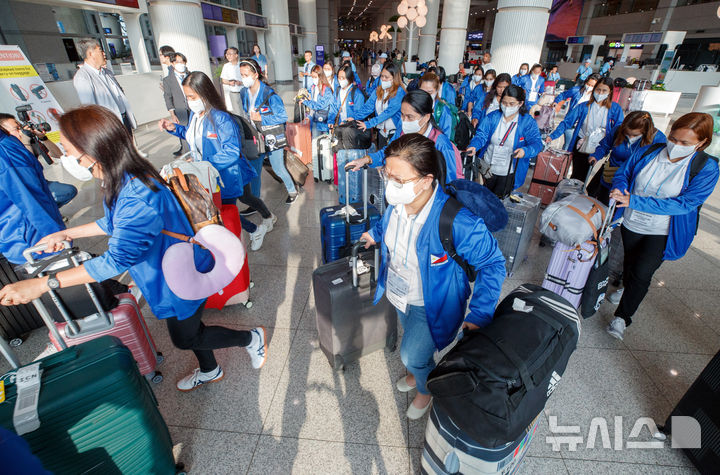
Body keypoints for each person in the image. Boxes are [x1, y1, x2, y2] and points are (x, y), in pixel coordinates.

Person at [0, 105, 268, 391]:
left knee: (185, 337)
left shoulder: (136, 194)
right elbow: (113, 223)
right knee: (188, 329)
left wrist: (43, 284)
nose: (65, 157)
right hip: (168, 273)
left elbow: (113, 262)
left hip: (182, 276)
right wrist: (66, 232)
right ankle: (210, 369)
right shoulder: (122, 178)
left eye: (68, 150)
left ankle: (252, 338)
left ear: (90, 151)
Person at [358, 133, 506, 419]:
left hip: (432, 303)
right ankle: (418, 372)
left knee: (409, 354)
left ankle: (425, 390)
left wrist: (480, 312)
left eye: (398, 180)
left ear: (426, 181)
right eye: (386, 175)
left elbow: (493, 264)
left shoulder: (457, 221)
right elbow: (386, 222)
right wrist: (376, 235)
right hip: (400, 292)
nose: (390, 185)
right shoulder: (398, 202)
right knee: (413, 346)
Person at [605, 112, 719, 340]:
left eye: (684, 143)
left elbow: (686, 203)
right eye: (673, 138)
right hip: (633, 221)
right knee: (630, 262)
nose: (676, 145)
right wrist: (620, 187)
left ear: (702, 142)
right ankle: (627, 288)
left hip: (663, 230)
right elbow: (624, 173)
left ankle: (622, 317)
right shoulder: (650, 151)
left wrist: (635, 200)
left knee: (643, 271)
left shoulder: (706, 167)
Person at [159, 71, 276, 250]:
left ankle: (255, 229)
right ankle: (256, 227)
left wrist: (203, 163)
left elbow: (231, 151)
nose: (190, 101)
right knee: (223, 209)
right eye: (187, 97)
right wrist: (173, 128)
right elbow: (192, 136)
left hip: (224, 175)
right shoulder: (195, 116)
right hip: (205, 175)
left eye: (192, 96)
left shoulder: (221, 119)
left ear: (204, 94)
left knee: (224, 210)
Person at [349, 90, 462, 182]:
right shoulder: (402, 132)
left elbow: (451, 184)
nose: (404, 121)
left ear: (426, 117)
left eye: (410, 117)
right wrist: (366, 159)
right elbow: (389, 152)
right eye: (402, 115)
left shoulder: (441, 145)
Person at [0, 126, 64, 264]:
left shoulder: (5, 149)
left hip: (29, 242)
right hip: (29, 242)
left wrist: (53, 235)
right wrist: (54, 235)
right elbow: (29, 199)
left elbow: (29, 199)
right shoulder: (6, 148)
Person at [238, 58, 299, 203]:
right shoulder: (243, 93)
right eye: (241, 75)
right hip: (256, 137)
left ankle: (292, 190)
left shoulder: (269, 94)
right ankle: (255, 201)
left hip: (272, 135)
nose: (243, 79)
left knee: (278, 168)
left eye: (246, 75)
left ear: (255, 75)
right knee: (255, 170)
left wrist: (262, 119)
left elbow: (282, 116)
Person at [466, 85, 543, 197]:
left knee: (500, 201)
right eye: (504, 103)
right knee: (483, 197)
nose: (507, 106)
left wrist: (525, 151)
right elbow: (481, 135)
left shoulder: (527, 122)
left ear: (520, 103)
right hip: (488, 168)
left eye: (511, 104)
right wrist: (474, 145)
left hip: (509, 171)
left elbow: (537, 144)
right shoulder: (493, 117)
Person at [547, 76, 623, 180]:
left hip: (598, 147)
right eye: (598, 89)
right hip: (581, 144)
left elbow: (619, 128)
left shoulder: (615, 109)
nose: (600, 93)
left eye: (604, 90)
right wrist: (552, 136)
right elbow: (567, 122)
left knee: (585, 174)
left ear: (610, 92)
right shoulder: (583, 106)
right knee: (577, 174)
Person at [0, 113, 77, 209]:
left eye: (21, 127)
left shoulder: (27, 140)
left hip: (38, 183)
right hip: (20, 191)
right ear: (4, 132)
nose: (21, 131)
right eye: (16, 129)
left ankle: (50, 210)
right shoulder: (5, 152)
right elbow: (26, 168)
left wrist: (43, 138)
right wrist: (25, 141)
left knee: (68, 191)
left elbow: (58, 155)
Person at [588, 111, 666, 205]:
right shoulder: (618, 130)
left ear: (645, 131)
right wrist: (596, 156)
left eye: (635, 135)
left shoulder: (658, 139)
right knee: (601, 205)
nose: (630, 137)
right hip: (611, 175)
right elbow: (605, 145)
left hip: (633, 182)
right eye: (627, 133)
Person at [73, 38, 136, 134]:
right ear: (90, 54)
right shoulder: (83, 77)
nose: (104, 54)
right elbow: (90, 108)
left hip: (123, 120)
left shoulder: (107, 73)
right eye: (100, 51)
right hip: (109, 127)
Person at [329, 65, 367, 204]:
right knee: (340, 158)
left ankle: (354, 193)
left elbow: (359, 113)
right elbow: (334, 107)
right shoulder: (338, 90)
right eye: (338, 78)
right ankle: (343, 190)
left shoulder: (356, 93)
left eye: (343, 78)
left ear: (350, 78)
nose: (340, 80)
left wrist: (350, 119)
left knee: (351, 158)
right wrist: (330, 120)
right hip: (340, 130)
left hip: (352, 132)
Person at [352, 62, 406, 149]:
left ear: (394, 78)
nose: (383, 79)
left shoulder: (399, 92)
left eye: (386, 77)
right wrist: (354, 117)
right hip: (382, 132)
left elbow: (387, 113)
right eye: (382, 76)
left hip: (395, 133)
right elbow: (368, 107)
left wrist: (369, 124)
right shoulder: (379, 90)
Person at [163, 52, 190, 157]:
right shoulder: (168, 80)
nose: (181, 64)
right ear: (173, 63)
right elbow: (168, 97)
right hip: (180, 111)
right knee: (184, 134)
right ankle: (189, 155)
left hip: (193, 109)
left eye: (183, 61)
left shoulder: (191, 75)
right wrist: (172, 114)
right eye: (178, 62)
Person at [419, 73, 455, 141]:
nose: (426, 95)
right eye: (422, 92)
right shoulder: (413, 106)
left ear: (436, 90)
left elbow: (446, 138)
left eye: (430, 92)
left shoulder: (443, 110)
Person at [301, 64, 334, 137]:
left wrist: (306, 102)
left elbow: (320, 105)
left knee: (325, 143)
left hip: (323, 120)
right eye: (312, 77)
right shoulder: (313, 87)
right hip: (314, 118)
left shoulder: (326, 90)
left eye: (315, 77)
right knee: (314, 140)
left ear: (320, 76)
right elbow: (310, 97)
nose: (313, 79)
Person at [220, 47, 243, 113]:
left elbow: (248, 79)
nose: (228, 56)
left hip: (243, 91)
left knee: (245, 112)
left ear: (236, 55)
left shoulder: (242, 65)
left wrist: (241, 82)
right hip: (233, 92)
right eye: (227, 54)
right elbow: (223, 80)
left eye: (230, 54)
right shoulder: (226, 66)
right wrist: (230, 82)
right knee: (237, 112)